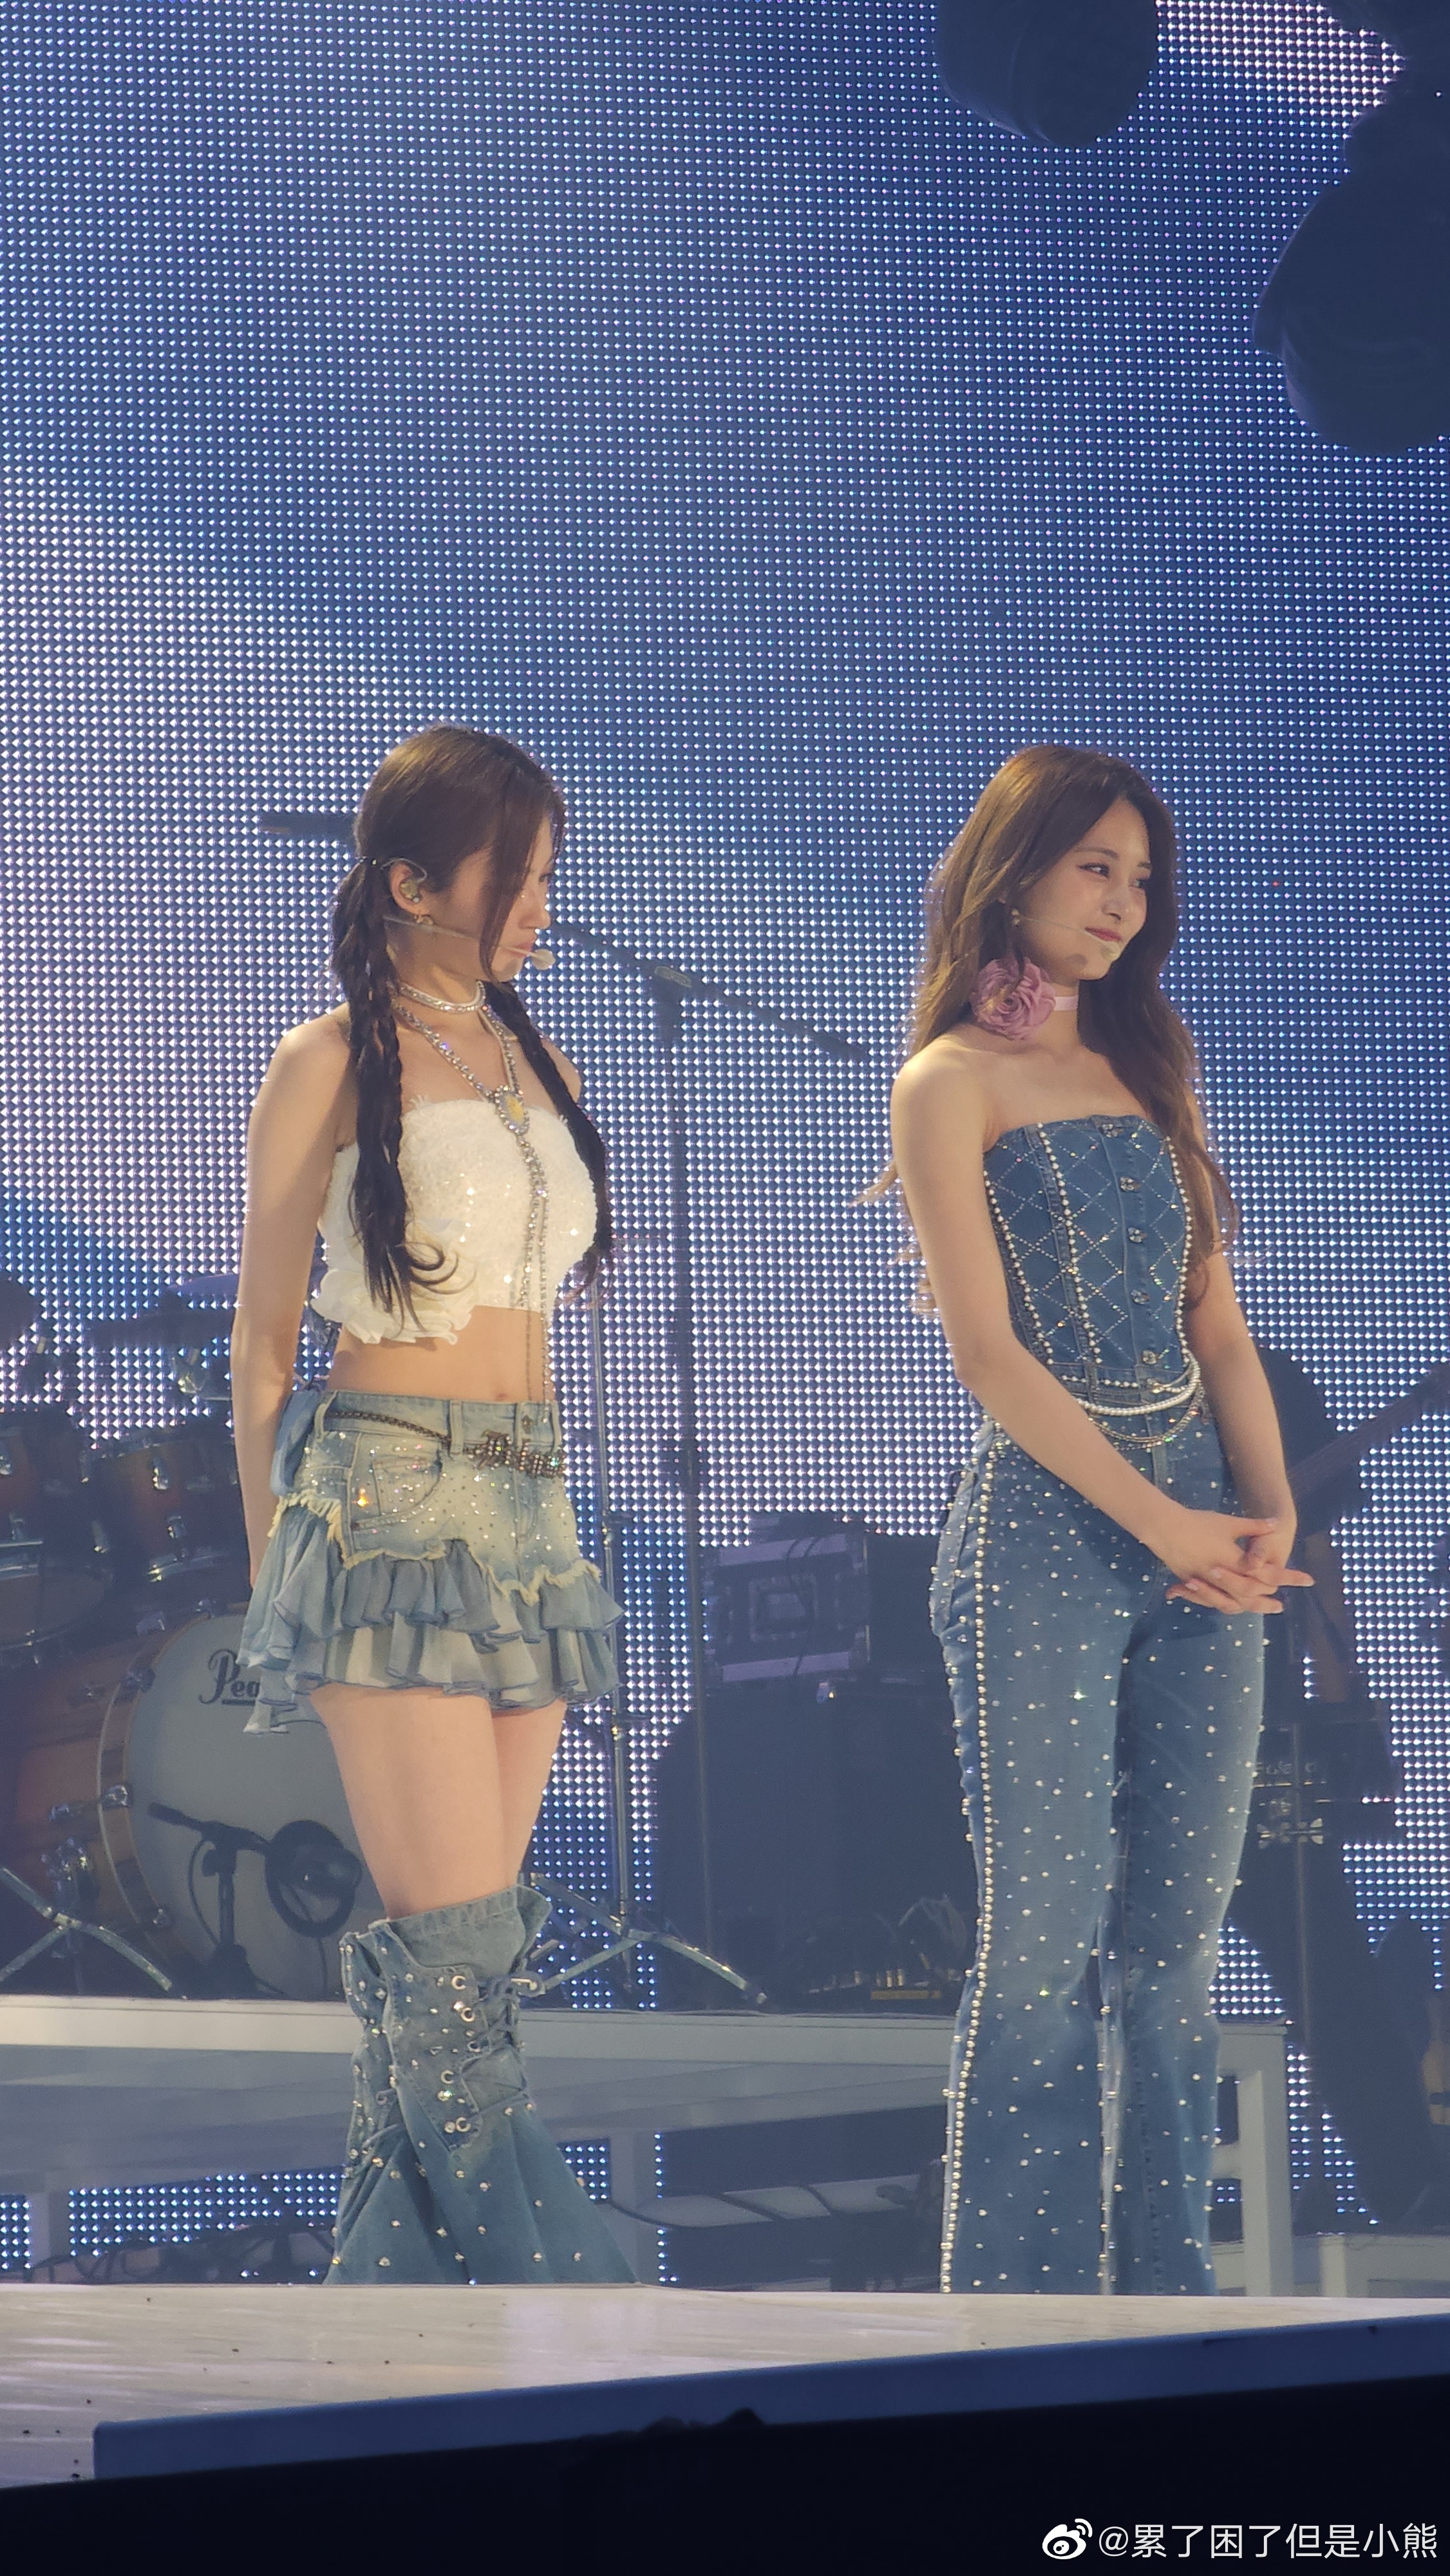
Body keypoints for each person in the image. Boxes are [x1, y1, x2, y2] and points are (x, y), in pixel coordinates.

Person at [887, 744, 1311, 2295]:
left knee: (1180, 1938)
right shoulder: (947, 1081)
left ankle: (1164, 2293)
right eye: (1095, 868)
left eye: (1141, 879)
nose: (1125, 903)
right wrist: (1161, 1521)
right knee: (1044, 1935)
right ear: (1014, 871)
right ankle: (1015, 2312)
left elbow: (1218, 1328)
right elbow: (986, 1356)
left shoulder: (1150, 1067)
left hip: (1202, 1520)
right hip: (1046, 1532)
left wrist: (1264, 1513)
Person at [230, 723, 633, 2285]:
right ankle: (553, 2293)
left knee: (464, 1962)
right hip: (384, 1504)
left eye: (546, 875)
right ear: (412, 883)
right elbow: (264, 1345)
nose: (540, 904)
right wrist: (276, 1564)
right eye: (514, 875)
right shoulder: (329, 1058)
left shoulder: (545, 1059)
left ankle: (392, 2314)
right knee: (458, 1956)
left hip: (529, 1510)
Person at [1232, 1345, 1449, 2230]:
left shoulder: (1271, 1381)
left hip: (1263, 1736)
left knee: (1325, 1962)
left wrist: (1340, 1720)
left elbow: (1319, 1575)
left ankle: (1408, 2188)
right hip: (1135, 1724)